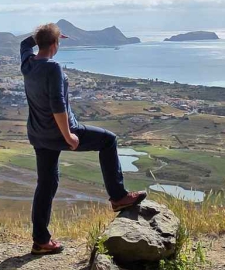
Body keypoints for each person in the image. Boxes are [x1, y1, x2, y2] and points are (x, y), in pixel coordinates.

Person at [21, 22, 145, 254]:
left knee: (46, 184)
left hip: (39, 136)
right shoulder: (53, 67)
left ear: (40, 43)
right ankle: (118, 197)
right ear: (56, 44)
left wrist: (44, 35)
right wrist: (69, 135)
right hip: (60, 133)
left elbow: (24, 43)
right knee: (108, 141)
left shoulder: (27, 64)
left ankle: (41, 241)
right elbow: (57, 105)